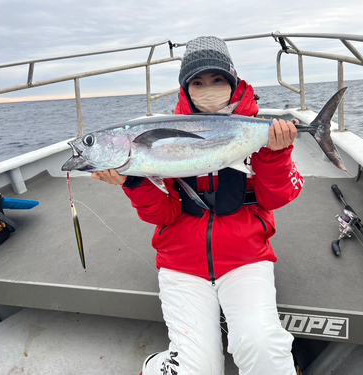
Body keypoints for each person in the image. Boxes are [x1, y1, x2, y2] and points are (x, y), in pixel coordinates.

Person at [92, 36, 304, 375]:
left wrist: (276, 153)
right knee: (197, 370)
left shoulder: (256, 129)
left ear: (233, 83)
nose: (208, 88)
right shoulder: (162, 133)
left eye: (218, 80)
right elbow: (162, 214)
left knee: (264, 348)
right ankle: (161, 363)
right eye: (198, 82)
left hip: (245, 258)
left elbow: (279, 197)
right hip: (181, 262)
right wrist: (133, 180)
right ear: (185, 89)